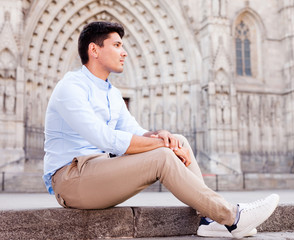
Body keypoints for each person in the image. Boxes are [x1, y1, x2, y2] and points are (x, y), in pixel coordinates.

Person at [43, 21, 279, 239]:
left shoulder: (112, 94)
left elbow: (135, 131)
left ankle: (209, 220)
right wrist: (161, 145)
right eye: (116, 45)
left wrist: (161, 136)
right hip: (72, 179)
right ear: (94, 50)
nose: (124, 52)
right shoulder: (70, 87)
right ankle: (232, 217)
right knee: (163, 156)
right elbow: (105, 138)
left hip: (101, 170)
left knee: (179, 141)